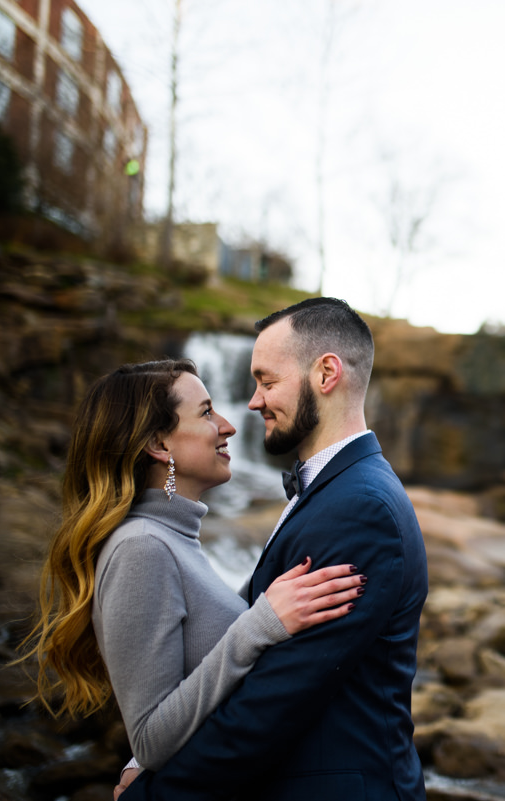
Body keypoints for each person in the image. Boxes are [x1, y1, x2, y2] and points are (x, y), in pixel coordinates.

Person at [121, 298, 429, 801]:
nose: (252, 403)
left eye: (267, 381)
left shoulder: (360, 508)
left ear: (326, 373)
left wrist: (153, 794)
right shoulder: (335, 490)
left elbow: (276, 698)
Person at [20, 360, 365, 776]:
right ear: (159, 445)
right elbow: (149, 739)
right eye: (205, 413)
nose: (229, 426)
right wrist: (259, 625)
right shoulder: (142, 547)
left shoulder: (172, 537)